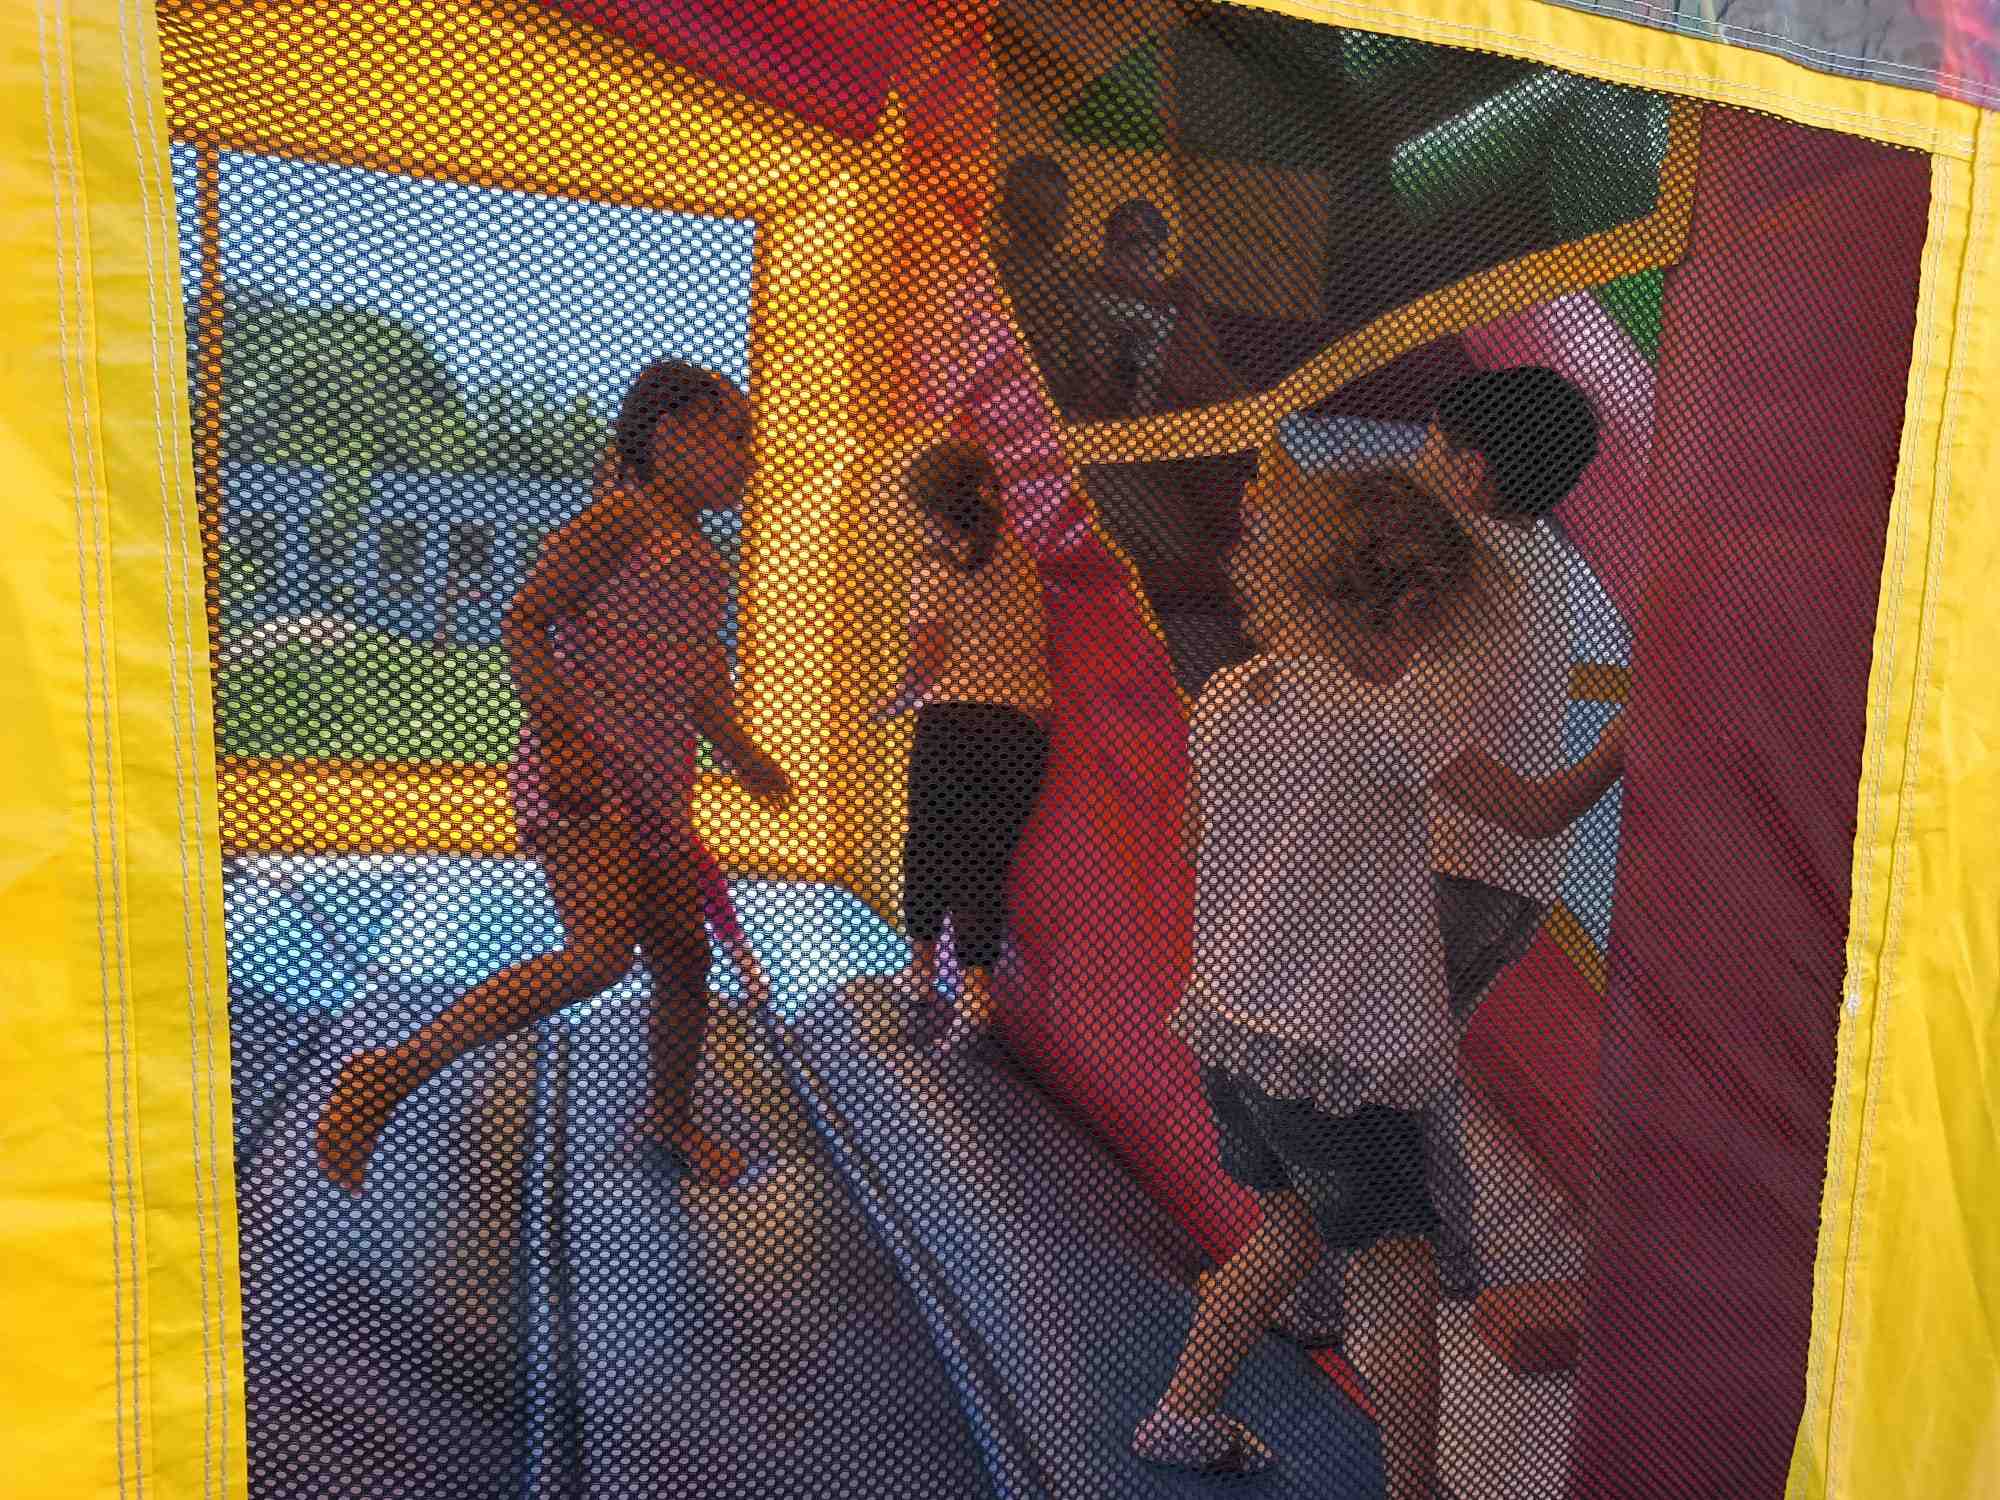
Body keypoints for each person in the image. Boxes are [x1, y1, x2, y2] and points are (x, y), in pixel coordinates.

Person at [1132, 468, 1624, 1497]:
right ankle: (1414, 1491)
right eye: (1429, 633)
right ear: (1405, 609)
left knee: (1284, 1234)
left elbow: (1191, 841)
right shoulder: (1388, 717)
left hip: (1233, 1034)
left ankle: (1180, 1412)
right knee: (1398, 1273)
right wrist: (1622, 743)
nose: (1426, 655)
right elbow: (1534, 814)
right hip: (1334, 1060)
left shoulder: (1229, 694)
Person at [314, 361, 792, 1194]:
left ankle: (671, 1119)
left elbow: (701, 684)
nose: (751, 456)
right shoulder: (622, 520)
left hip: (658, 790)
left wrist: (745, 758)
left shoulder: (707, 561)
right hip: (586, 773)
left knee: (686, 961)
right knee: (602, 954)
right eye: (734, 435)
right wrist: (560, 731)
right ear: (670, 436)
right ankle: (390, 1072)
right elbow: (526, 619)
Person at [1276, 367, 1604, 1349]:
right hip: (1513, 889)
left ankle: (1321, 1290)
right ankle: (1446, 1261)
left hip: (1450, 870)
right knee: (1411, 1078)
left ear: (1466, 475)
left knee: (1347, 1080)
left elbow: (1356, 617)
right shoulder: (1544, 559)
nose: (1416, 467)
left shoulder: (1464, 558)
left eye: (1428, 451)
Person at [869, 440, 1052, 1057]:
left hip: (954, 725)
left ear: (932, 511)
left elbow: (927, 661)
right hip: (1019, 731)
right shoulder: (1019, 558)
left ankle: (921, 971)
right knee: (982, 859)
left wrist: (892, 704)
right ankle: (976, 991)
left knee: (927, 844)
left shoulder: (936, 568)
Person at [989, 155, 1089, 413]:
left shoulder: (1070, 274)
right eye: (1036, 208)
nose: (1052, 218)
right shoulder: (994, 269)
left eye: (1058, 207)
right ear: (1008, 212)